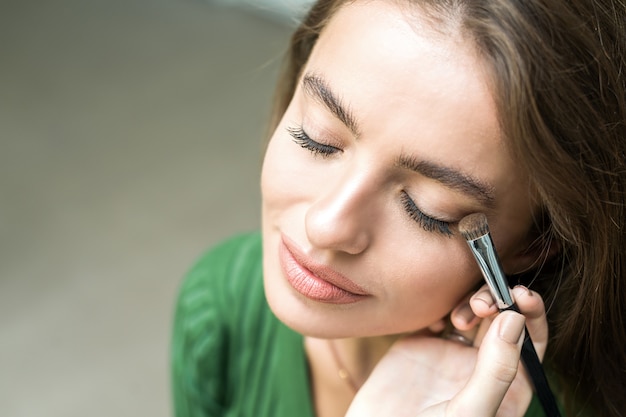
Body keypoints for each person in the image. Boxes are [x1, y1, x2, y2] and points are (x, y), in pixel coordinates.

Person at [171, 0, 626, 416]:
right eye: (318, 138)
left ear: (536, 242)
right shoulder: (222, 304)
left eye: (429, 211)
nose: (327, 225)